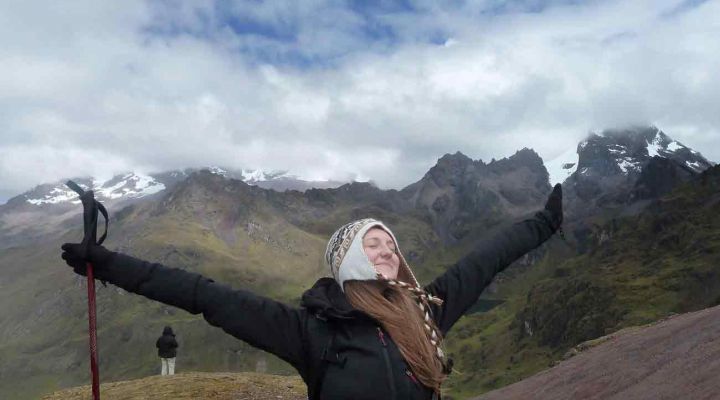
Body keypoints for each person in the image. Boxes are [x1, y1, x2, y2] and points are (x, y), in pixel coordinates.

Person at [61, 184, 564, 399]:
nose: (390, 252)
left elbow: (488, 257)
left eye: (391, 244)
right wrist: (107, 265)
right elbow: (202, 295)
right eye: (376, 244)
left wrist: (544, 223)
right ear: (348, 261)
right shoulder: (312, 330)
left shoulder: (425, 314)